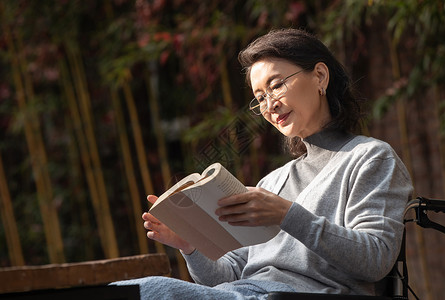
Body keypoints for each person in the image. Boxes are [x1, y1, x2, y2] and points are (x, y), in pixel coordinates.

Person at [112, 28, 413, 299]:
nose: (270, 106)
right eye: (260, 97)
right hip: (244, 293)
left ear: (320, 76)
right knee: (123, 290)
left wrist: (286, 214)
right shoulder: (273, 182)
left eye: (277, 85)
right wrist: (190, 244)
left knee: (150, 291)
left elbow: (375, 259)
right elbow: (225, 277)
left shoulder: (370, 158)